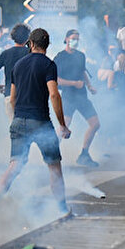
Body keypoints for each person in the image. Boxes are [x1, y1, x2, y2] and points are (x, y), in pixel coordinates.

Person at [0, 28, 71, 213]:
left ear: (30, 44)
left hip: (19, 120)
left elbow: (12, 98)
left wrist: (18, 118)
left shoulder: (18, 65)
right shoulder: (49, 65)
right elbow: (54, 94)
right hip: (40, 122)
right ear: (47, 45)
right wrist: (62, 124)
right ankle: (63, 210)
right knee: (54, 166)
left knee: (15, 164)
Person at [54, 29, 101, 167]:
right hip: (68, 96)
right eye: (74, 38)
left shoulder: (81, 56)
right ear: (67, 39)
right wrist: (74, 83)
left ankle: (84, 155)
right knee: (64, 127)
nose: (76, 41)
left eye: (78, 39)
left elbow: (82, 72)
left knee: (95, 124)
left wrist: (89, 85)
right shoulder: (59, 57)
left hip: (82, 96)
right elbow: (56, 80)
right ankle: (51, 153)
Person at [0, 23, 30, 120]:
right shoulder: (31, 53)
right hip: (28, 97)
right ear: (27, 37)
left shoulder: (5, 53)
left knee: (15, 128)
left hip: (10, 95)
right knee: (30, 131)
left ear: (13, 37)